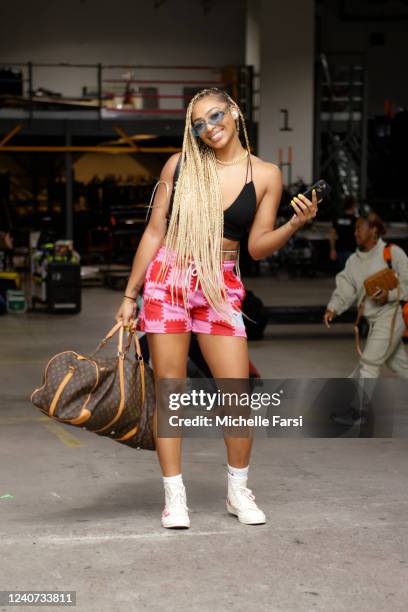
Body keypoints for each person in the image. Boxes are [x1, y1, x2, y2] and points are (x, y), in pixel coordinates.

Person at [115, 88, 318, 529]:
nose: (210, 127)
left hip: (221, 284)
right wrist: (131, 295)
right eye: (199, 124)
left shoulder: (265, 175)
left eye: (216, 116)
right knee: (169, 390)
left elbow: (258, 248)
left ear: (235, 111)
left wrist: (296, 223)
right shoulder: (180, 165)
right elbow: (154, 232)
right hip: (170, 278)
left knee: (236, 395)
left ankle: (238, 492)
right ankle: (174, 498)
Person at [324, 213, 408, 380]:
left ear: (373, 230)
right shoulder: (353, 261)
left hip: (392, 316)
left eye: (359, 229)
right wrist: (333, 308)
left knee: (369, 364)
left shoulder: (393, 253)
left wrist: (389, 295)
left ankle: (357, 405)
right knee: (398, 364)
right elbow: (345, 288)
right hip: (373, 322)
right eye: (355, 229)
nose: (355, 233)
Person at [329, 195, 359, 271]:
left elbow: (332, 234)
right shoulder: (355, 220)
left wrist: (332, 249)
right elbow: (359, 236)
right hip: (352, 251)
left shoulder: (338, 218)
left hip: (340, 251)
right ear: (353, 205)